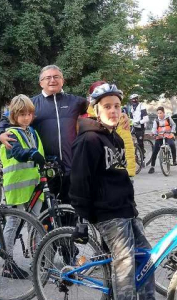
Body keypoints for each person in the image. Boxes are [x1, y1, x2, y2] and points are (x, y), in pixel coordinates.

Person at [69, 83, 155, 300]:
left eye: (117, 106)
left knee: (145, 257)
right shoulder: (88, 140)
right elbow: (80, 181)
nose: (114, 111)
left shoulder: (115, 137)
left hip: (124, 208)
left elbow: (121, 177)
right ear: (96, 109)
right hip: (106, 212)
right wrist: (83, 218)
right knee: (124, 264)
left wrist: (131, 207)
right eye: (107, 106)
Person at [0, 65, 87, 203]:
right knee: (46, 216)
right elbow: (6, 118)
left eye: (56, 77)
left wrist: (121, 117)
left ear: (63, 80)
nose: (52, 80)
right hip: (44, 169)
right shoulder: (31, 104)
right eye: (48, 77)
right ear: (41, 83)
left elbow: (98, 109)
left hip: (71, 168)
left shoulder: (76, 102)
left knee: (71, 213)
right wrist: (0, 133)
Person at [0, 94, 45, 279]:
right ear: (14, 115)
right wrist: (32, 154)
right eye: (22, 114)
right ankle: (8, 263)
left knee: (37, 221)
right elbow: (18, 152)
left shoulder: (32, 132)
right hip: (17, 185)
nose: (26, 117)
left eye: (29, 114)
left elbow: (40, 152)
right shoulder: (11, 133)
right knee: (13, 223)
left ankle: (40, 259)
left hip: (34, 183)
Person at [83, 81, 136, 177]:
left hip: (118, 173)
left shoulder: (119, 118)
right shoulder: (85, 118)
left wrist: (129, 171)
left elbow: (127, 145)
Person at [148, 106, 177, 174]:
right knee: (155, 151)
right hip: (159, 136)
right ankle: (152, 167)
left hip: (168, 135)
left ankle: (174, 160)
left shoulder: (168, 118)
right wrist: (153, 133)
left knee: (172, 144)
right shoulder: (156, 120)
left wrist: (172, 132)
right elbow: (154, 128)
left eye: (160, 113)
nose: (159, 115)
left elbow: (173, 125)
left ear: (163, 113)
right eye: (158, 113)